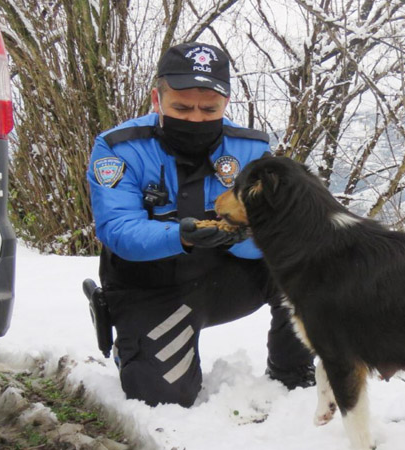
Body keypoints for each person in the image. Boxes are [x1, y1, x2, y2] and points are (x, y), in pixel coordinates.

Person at [86, 42, 315, 407]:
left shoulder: (250, 148)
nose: (195, 118)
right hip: (151, 283)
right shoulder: (118, 147)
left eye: (209, 109)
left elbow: (281, 230)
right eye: (182, 107)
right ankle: (130, 343)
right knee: (165, 398)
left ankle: (292, 372)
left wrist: (234, 238)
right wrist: (182, 235)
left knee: (308, 262)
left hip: (225, 278)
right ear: (157, 99)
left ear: (226, 103)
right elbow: (117, 229)